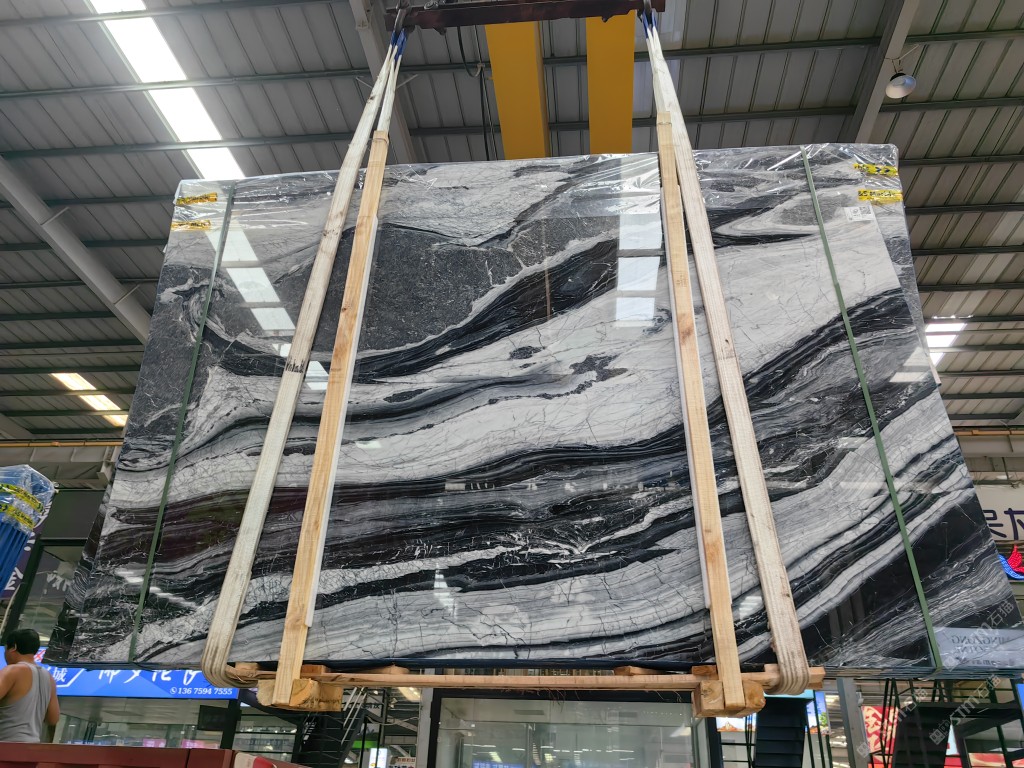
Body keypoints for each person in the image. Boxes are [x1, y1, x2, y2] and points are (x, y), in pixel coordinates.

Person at [0, 628, 59, 742]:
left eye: (5, 649)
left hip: (6, 745)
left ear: (13, 647)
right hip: (31, 746)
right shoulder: (49, 678)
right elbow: (53, 719)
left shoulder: (12, 671)